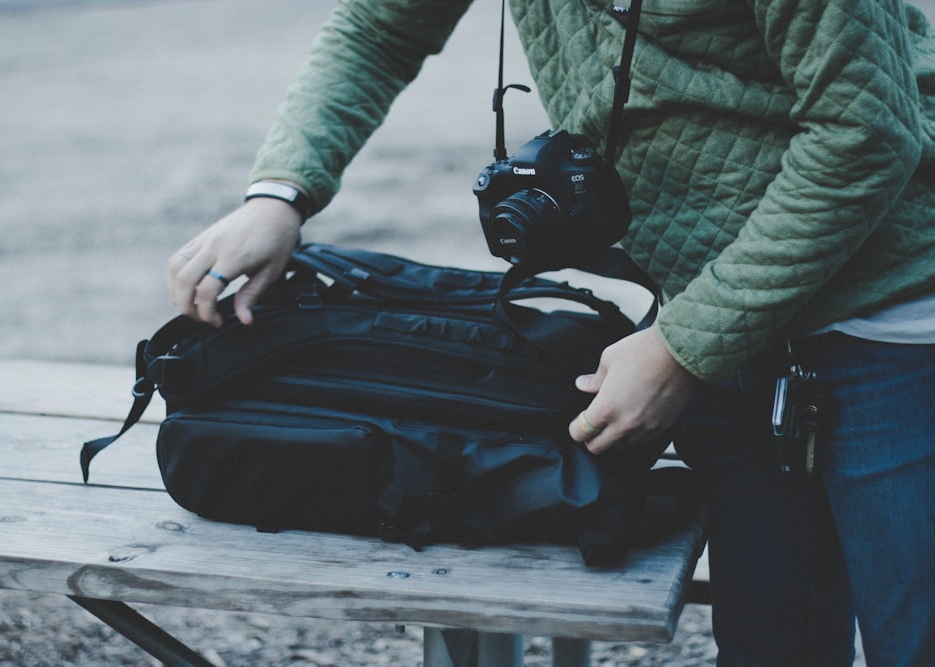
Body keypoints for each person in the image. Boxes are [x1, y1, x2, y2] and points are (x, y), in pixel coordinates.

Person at [167, 1, 935, 664]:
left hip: (895, 323)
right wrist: (279, 194)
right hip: (726, 330)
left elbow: (864, 134)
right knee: (772, 646)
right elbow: (377, 27)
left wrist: (680, 345)